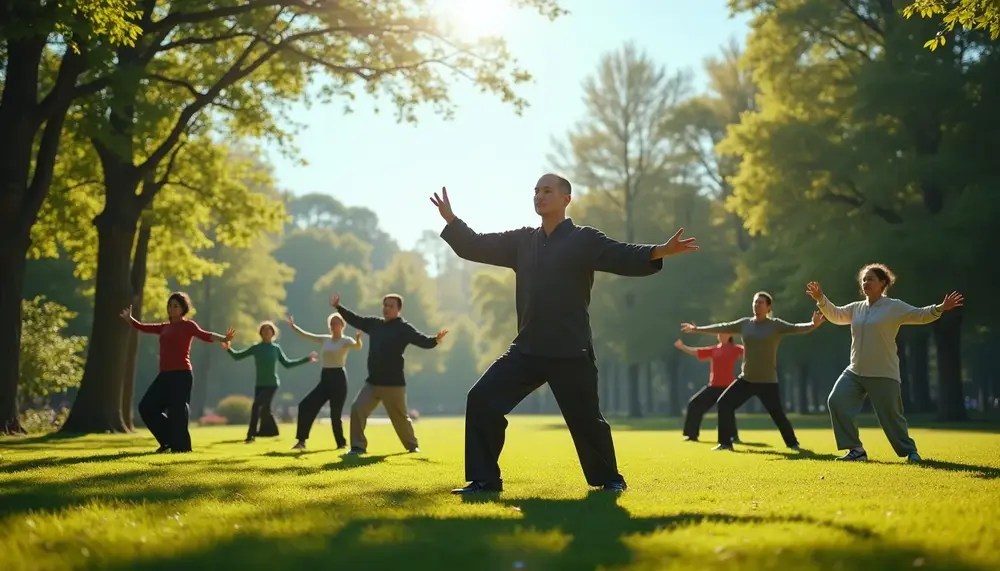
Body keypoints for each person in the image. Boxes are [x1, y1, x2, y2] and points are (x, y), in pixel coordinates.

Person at [432, 175, 699, 495]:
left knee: (587, 420)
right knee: (482, 399)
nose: (539, 196)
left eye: (547, 191)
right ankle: (485, 480)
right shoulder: (521, 241)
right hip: (527, 349)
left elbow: (621, 253)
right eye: (536, 191)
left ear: (566, 199)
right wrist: (451, 220)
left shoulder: (582, 239)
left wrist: (658, 251)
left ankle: (610, 478)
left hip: (571, 349)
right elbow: (473, 245)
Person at [807, 264, 964, 462]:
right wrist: (821, 298)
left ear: (883, 283)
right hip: (855, 371)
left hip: (883, 372)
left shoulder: (893, 307)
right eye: (864, 280)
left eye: (870, 279)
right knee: (836, 401)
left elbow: (919, 314)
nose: (865, 283)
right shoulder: (857, 308)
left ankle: (910, 452)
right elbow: (836, 315)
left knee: (891, 417)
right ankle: (856, 450)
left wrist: (941, 308)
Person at [680, 292, 823, 452]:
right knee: (724, 403)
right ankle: (725, 443)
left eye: (761, 303)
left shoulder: (775, 325)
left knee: (777, 414)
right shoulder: (745, 324)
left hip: (767, 381)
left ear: (768, 307)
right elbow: (723, 327)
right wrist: (697, 329)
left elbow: (796, 328)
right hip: (747, 379)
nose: (756, 305)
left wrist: (812, 324)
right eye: (755, 302)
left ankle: (792, 444)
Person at [331, 292, 447, 455]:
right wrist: (338, 307)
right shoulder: (374, 324)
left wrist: (435, 340)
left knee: (400, 419)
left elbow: (421, 340)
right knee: (357, 408)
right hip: (372, 383)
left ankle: (412, 446)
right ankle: (358, 446)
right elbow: (355, 319)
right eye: (385, 305)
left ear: (398, 309)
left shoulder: (403, 328)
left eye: (390, 306)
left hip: (394, 385)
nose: (386, 308)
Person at [121, 292, 234, 453]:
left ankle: (181, 448)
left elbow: (205, 335)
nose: (171, 308)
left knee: (177, 412)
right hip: (165, 375)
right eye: (170, 305)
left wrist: (224, 338)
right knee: (146, 407)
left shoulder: (189, 326)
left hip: (182, 375)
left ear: (183, 309)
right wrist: (131, 320)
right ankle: (167, 440)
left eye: (175, 306)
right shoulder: (164, 327)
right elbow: (143, 327)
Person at [222, 321, 316, 443]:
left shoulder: (276, 349)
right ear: (261, 333)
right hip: (259, 384)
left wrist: (306, 359)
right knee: (265, 410)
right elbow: (238, 356)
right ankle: (271, 431)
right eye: (264, 330)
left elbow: (287, 364)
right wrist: (229, 349)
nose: (267, 332)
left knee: (256, 406)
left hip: (272, 384)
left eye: (269, 330)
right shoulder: (256, 348)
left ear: (273, 333)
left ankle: (251, 435)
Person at [286, 312, 363, 450]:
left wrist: (358, 339)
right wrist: (294, 327)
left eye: (336, 323)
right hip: (325, 377)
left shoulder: (346, 340)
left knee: (335, 415)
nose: (334, 326)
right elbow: (307, 335)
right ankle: (301, 441)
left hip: (339, 378)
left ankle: (341, 444)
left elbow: (357, 347)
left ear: (342, 325)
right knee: (305, 405)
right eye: (332, 324)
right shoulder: (325, 339)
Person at [673, 335, 744, 443]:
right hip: (713, 386)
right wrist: (682, 347)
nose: (720, 336)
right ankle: (692, 435)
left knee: (726, 410)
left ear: (729, 335)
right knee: (694, 404)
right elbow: (696, 352)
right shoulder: (714, 349)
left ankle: (733, 436)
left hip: (727, 387)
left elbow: (750, 352)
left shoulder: (735, 348)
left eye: (723, 334)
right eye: (719, 334)